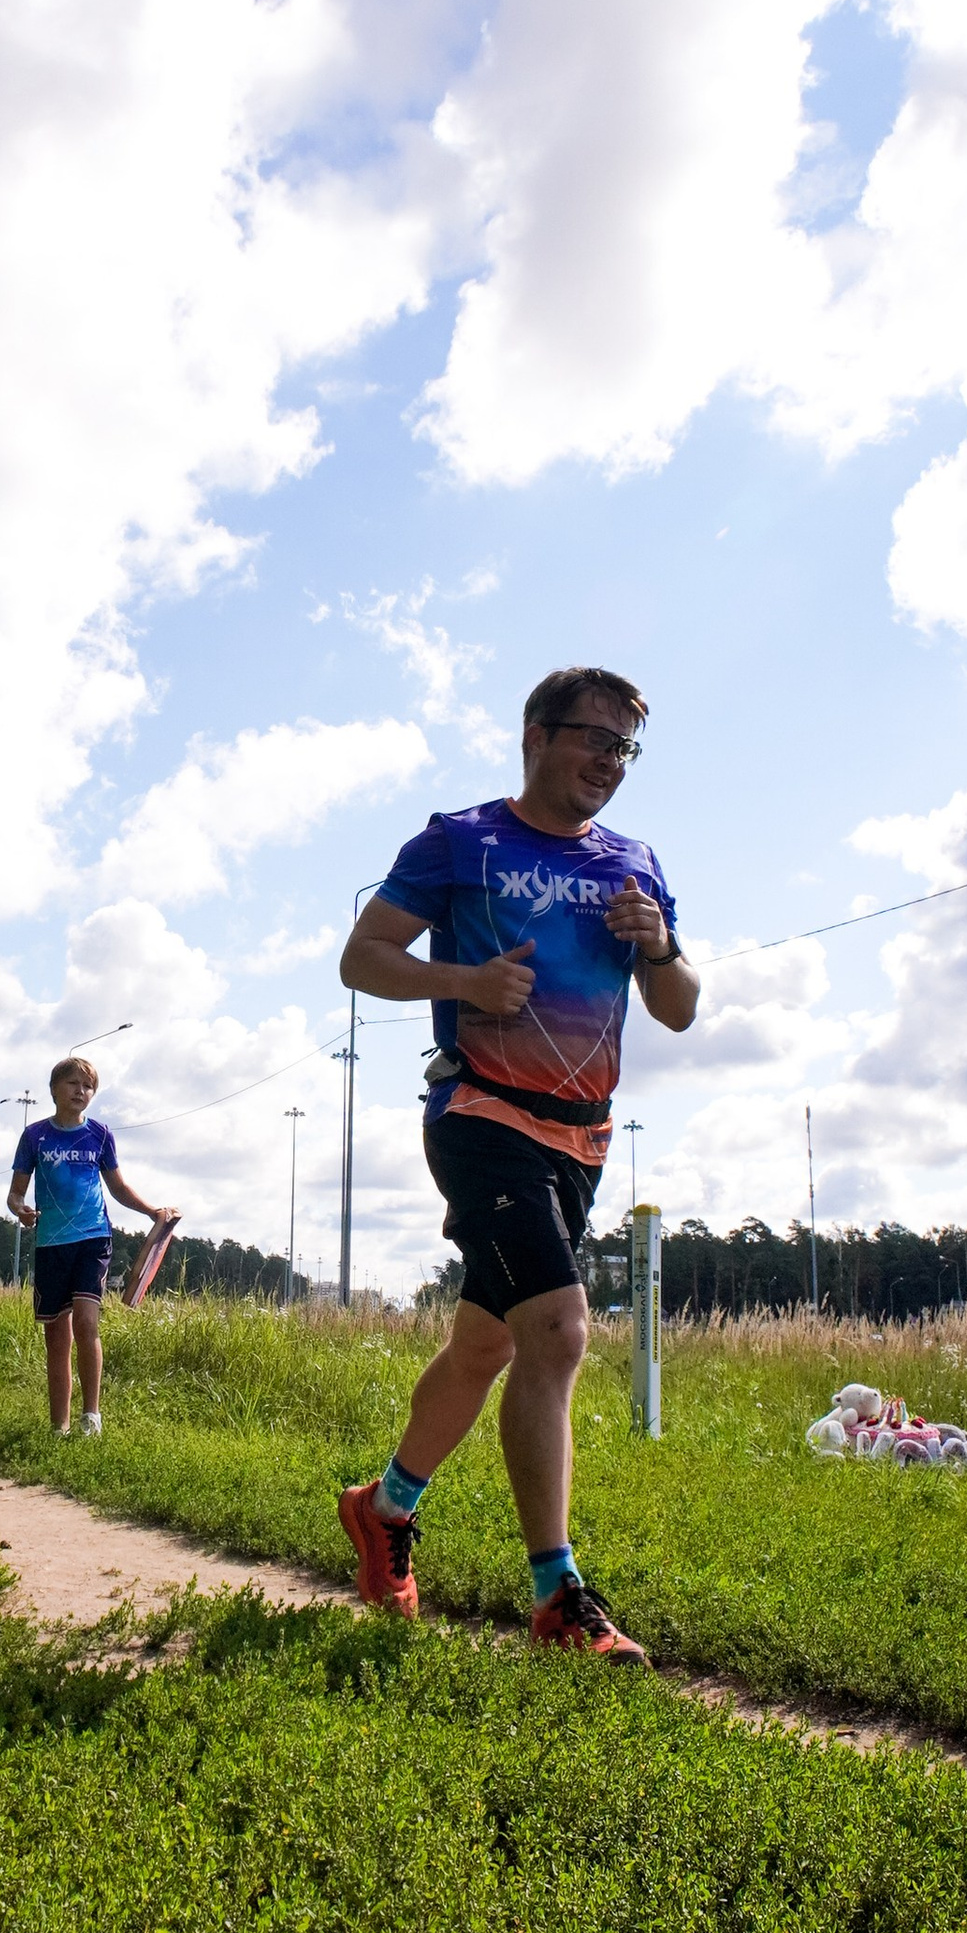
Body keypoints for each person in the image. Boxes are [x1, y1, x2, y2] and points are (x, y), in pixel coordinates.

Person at [335, 666, 697, 1657]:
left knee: (488, 1346)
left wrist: (658, 945)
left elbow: (678, 1006)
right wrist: (464, 979)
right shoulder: (459, 839)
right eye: (593, 738)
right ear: (536, 734)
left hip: (581, 1132)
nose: (608, 763)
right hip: (481, 1111)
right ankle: (557, 1598)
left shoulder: (634, 861)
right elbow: (361, 956)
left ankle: (386, 1506)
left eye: (624, 748)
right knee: (558, 1326)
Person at [6, 1058, 172, 1436]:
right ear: (54, 1089)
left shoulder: (99, 1134)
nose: (80, 1091)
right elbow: (15, 1194)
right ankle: (58, 1425)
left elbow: (117, 1187)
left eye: (87, 1086)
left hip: (93, 1238)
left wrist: (150, 1211)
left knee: (86, 1321)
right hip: (51, 1243)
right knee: (56, 1335)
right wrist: (21, 1210)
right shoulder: (34, 1137)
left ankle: (91, 1418)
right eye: (72, 1083)